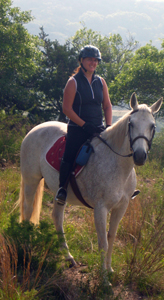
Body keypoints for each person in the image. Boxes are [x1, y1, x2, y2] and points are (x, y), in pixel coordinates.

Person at [55, 45, 112, 205]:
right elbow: (67, 109)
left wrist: (108, 126)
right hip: (77, 128)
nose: (93, 63)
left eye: (95, 60)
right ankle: (62, 189)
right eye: (89, 59)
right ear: (82, 60)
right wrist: (84, 125)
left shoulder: (101, 82)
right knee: (70, 155)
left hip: (98, 127)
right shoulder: (73, 82)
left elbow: (107, 106)